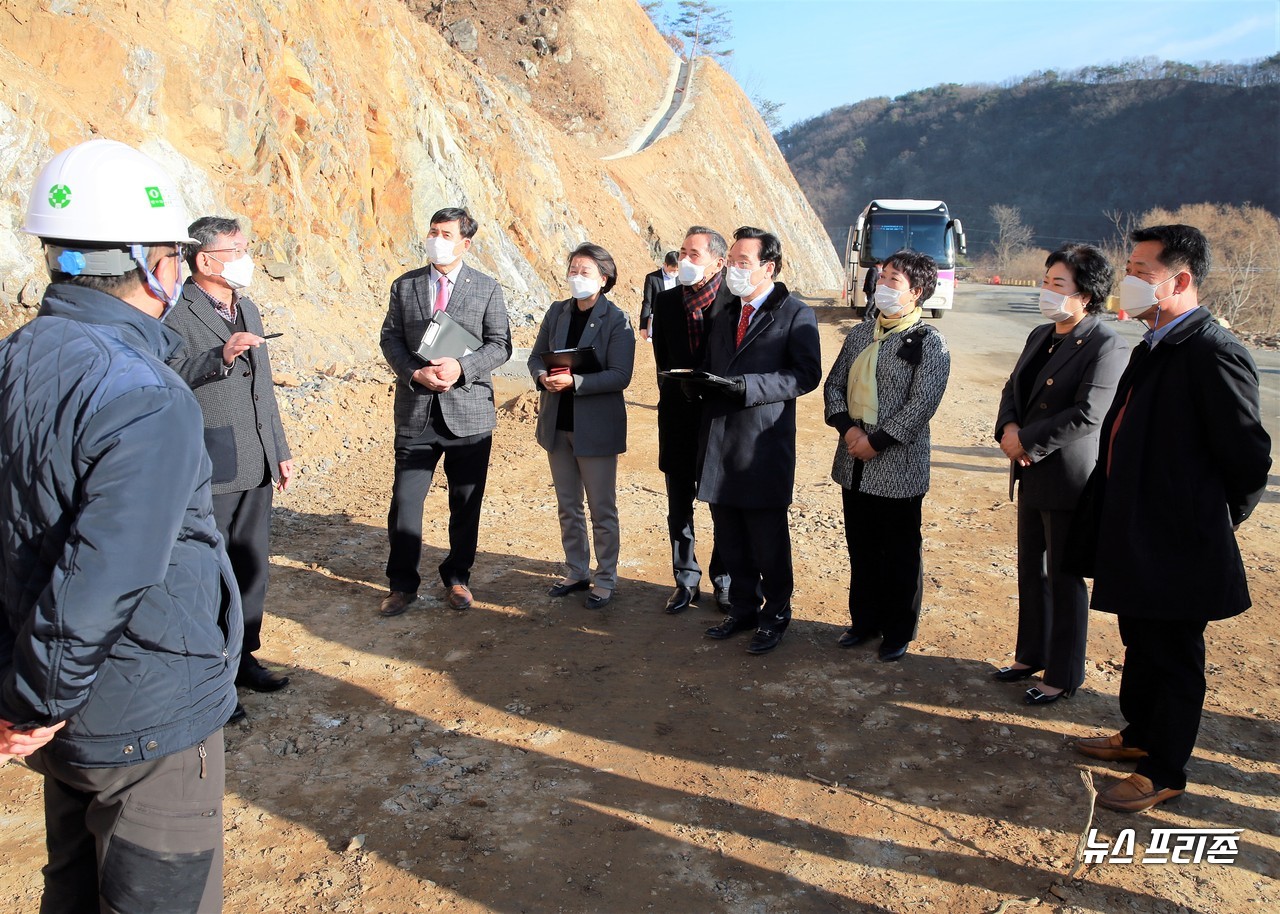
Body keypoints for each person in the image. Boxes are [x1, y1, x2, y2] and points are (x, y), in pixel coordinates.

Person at [0, 139, 240, 912]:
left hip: (65, 717)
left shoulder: (18, 356)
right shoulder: (144, 393)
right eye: (173, 254)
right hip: (142, 714)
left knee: (70, 890)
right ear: (151, 264)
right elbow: (106, 574)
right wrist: (34, 703)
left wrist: (27, 696)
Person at [1070, 224, 1270, 812]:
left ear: (1180, 280)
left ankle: (1164, 769)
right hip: (1137, 532)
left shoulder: (1214, 351)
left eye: (1141, 272)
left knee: (1174, 656)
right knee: (1140, 641)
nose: (1127, 281)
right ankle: (1138, 737)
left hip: (1179, 541)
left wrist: (1210, 520)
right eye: (1128, 268)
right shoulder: (1155, 341)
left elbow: (1248, 458)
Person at [167, 216, 295, 722]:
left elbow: (263, 389)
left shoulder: (249, 307)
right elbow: (168, 372)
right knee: (209, 574)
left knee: (252, 564)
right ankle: (211, 679)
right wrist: (218, 355)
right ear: (205, 260)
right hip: (211, 461)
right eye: (237, 249)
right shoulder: (175, 311)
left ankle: (245, 658)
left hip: (257, 457)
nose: (246, 257)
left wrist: (279, 448)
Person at [992, 244, 1128, 705]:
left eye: (1058, 284)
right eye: (1045, 281)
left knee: (1064, 576)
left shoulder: (1105, 343)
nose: (1046, 292)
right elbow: (1013, 387)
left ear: (1085, 294)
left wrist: (1028, 442)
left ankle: (1064, 673)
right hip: (1029, 470)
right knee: (1032, 566)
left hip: (1066, 475)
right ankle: (1030, 653)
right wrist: (1009, 429)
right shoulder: (1040, 334)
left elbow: (1090, 412)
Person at [379, 207, 513, 616]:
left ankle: (457, 577)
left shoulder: (487, 288)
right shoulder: (406, 286)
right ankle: (402, 585)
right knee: (405, 501)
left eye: (446, 233)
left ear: (465, 243)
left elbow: (500, 344)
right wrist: (415, 373)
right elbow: (391, 340)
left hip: (468, 413)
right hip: (417, 411)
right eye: (433, 231)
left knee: (465, 501)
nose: (437, 239)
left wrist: (461, 367)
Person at [697, 226, 822, 655]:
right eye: (731, 261)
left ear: (768, 268)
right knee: (729, 535)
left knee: (767, 540)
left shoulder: (795, 314)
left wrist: (747, 386)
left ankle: (776, 615)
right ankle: (744, 610)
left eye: (742, 262)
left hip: (762, 445)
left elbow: (805, 375)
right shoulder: (725, 309)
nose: (733, 269)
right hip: (719, 439)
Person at [823, 249, 950, 662]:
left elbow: (922, 403)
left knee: (898, 551)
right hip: (854, 460)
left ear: (916, 292)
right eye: (882, 277)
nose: (883, 286)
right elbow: (835, 385)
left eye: (893, 280)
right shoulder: (861, 333)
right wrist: (850, 430)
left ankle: (897, 630)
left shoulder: (930, 343)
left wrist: (876, 441)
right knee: (861, 546)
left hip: (897, 465)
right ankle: (864, 622)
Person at [529, 244, 636, 609]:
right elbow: (535, 356)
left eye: (585, 271)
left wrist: (576, 383)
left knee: (601, 508)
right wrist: (542, 375)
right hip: (557, 424)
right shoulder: (557, 312)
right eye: (573, 269)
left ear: (604, 279)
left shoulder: (617, 320)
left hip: (596, 428)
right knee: (568, 504)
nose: (576, 276)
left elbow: (621, 375)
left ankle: (605, 578)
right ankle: (577, 570)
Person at [651, 227, 733, 616]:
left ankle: (725, 580)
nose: (684, 260)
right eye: (682, 252)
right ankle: (685, 580)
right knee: (679, 504)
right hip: (678, 417)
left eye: (694, 254)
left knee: (721, 503)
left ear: (719, 262)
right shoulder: (666, 303)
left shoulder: (735, 303)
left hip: (719, 420)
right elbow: (663, 365)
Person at [639, 250, 678, 342]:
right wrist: (643, 326)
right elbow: (647, 303)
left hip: (676, 322)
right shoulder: (652, 278)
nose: (675, 273)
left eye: (677, 270)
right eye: (672, 270)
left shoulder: (681, 279)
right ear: (665, 264)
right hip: (658, 322)